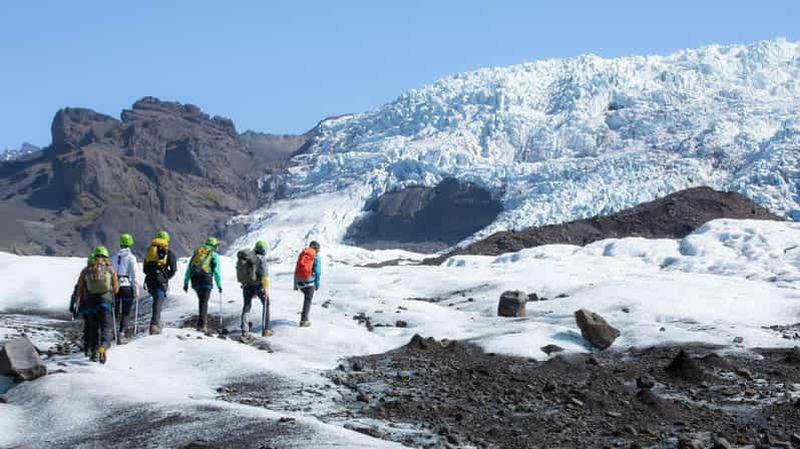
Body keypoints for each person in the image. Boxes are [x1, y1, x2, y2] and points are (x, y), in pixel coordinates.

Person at [76, 245, 119, 363]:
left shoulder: (87, 269)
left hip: (90, 303)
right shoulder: (110, 269)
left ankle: (93, 352)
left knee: (94, 328)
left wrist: (78, 301)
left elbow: (80, 287)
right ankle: (103, 347)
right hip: (105, 302)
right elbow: (116, 289)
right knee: (106, 327)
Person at [183, 237, 222, 334]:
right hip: (206, 278)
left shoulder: (197, 252)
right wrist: (219, 284)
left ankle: (201, 323)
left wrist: (186, 282)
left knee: (202, 300)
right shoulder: (213, 254)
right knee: (204, 301)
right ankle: (202, 325)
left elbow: (189, 268)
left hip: (195, 279)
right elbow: (216, 271)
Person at [143, 230, 177, 335]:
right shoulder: (168, 252)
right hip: (160, 280)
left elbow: (145, 269)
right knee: (158, 302)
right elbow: (173, 269)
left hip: (149, 280)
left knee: (156, 301)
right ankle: (154, 325)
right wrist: (166, 277)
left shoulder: (150, 251)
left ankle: (155, 323)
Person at [237, 240, 271, 340]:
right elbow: (265, 275)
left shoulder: (248, 257)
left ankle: (245, 329)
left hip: (247, 285)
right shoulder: (261, 258)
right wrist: (266, 289)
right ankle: (266, 329)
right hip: (258, 285)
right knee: (266, 303)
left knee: (247, 306)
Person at [111, 233, 139, 344]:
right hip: (127, 286)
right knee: (126, 312)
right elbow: (134, 275)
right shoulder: (131, 258)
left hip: (116, 287)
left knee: (115, 310)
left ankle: (113, 332)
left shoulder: (113, 257)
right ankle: (122, 334)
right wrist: (136, 290)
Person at [69, 251, 96, 356]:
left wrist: (73, 306)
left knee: (88, 325)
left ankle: (87, 348)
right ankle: (95, 347)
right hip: (97, 304)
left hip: (85, 304)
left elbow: (78, 289)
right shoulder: (103, 272)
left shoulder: (85, 272)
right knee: (96, 325)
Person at [293, 241, 321, 327]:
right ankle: (304, 320)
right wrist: (317, 284)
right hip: (309, 282)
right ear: (317, 249)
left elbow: (297, 269)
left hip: (299, 282)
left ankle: (305, 318)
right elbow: (317, 272)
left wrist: (295, 284)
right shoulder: (316, 257)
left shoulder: (303, 254)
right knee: (308, 300)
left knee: (306, 298)